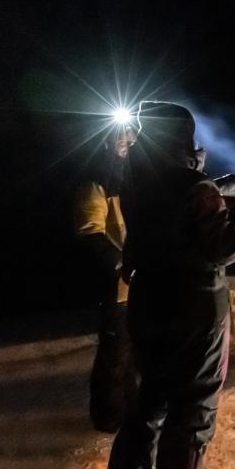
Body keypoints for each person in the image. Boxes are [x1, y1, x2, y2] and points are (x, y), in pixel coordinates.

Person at [103, 101, 235, 469]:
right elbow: (226, 249)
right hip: (196, 306)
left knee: (150, 394)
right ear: (183, 136)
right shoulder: (197, 188)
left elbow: (170, 204)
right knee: (194, 403)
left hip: (148, 299)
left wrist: (213, 186)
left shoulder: (136, 179)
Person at [73, 120, 139, 433]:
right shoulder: (95, 182)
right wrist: (121, 264)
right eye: (120, 139)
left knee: (137, 355)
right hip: (120, 287)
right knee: (115, 354)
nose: (127, 143)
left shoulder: (137, 180)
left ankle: (131, 411)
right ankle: (109, 418)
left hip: (145, 284)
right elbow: (89, 231)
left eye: (130, 138)